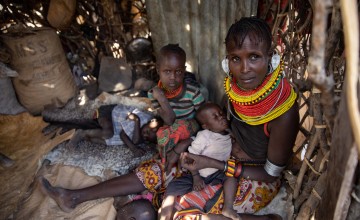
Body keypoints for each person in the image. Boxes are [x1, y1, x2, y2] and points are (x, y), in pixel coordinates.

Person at [40, 44, 205, 219]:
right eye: (167, 72)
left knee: (155, 172)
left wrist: (182, 144)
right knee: (149, 172)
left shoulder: (193, 93)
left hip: (193, 146)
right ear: (158, 70)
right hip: (172, 145)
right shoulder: (153, 94)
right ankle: (73, 197)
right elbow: (168, 122)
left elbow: (200, 124)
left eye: (178, 72)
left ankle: (73, 197)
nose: (173, 77)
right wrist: (159, 98)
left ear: (184, 70)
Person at [171, 17, 299, 220]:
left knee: (189, 216)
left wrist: (212, 163)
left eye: (254, 57)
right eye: (235, 59)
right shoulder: (233, 93)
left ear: (272, 58)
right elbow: (222, 130)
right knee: (168, 186)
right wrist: (190, 148)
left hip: (257, 178)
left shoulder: (284, 111)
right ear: (226, 62)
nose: (244, 68)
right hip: (224, 163)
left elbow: (270, 174)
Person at [160, 102, 235, 220]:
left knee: (232, 176)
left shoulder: (229, 134)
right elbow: (188, 157)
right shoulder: (205, 136)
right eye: (215, 117)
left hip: (217, 173)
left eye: (221, 113)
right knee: (172, 188)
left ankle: (228, 207)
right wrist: (196, 177)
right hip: (197, 173)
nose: (221, 117)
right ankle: (165, 215)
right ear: (206, 126)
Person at [67, 104, 163, 157]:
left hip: (118, 126)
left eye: (147, 137)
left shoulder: (145, 132)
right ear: (152, 121)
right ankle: (80, 133)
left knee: (102, 141)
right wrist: (134, 148)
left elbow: (136, 140)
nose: (145, 134)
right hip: (110, 112)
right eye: (148, 131)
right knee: (108, 133)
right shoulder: (141, 117)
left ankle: (86, 135)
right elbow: (123, 136)